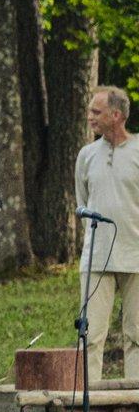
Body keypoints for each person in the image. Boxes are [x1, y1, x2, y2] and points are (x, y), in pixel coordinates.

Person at [76, 86, 139, 379]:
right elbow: (83, 204)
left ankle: (135, 410)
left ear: (116, 115)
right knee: (90, 336)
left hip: (136, 256)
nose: (90, 117)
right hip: (96, 259)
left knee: (137, 336)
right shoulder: (86, 155)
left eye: (96, 112)